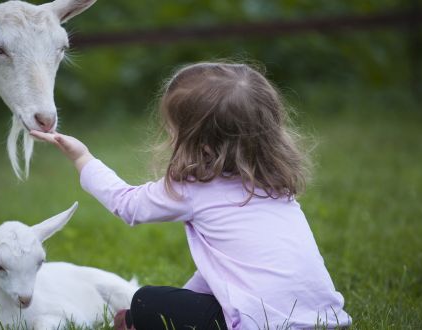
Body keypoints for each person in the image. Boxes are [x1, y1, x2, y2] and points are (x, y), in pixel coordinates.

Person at [30, 62, 351, 330]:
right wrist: (183, 299)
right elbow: (225, 268)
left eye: (173, 130)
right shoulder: (275, 187)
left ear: (203, 145)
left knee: (145, 301)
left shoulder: (194, 188)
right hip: (323, 319)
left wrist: (82, 158)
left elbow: (126, 204)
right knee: (165, 302)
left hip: (258, 323)